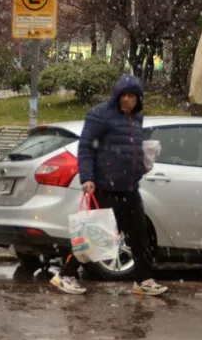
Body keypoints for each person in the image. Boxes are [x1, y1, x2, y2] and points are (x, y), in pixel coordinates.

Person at [50, 74, 168, 296]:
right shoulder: (100, 115)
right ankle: (65, 274)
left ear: (138, 99)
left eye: (131, 96)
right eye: (123, 95)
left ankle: (143, 280)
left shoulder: (137, 118)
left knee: (139, 235)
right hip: (105, 187)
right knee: (95, 235)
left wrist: (141, 163)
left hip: (129, 188)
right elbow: (86, 147)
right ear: (117, 96)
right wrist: (87, 178)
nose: (126, 100)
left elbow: (130, 147)